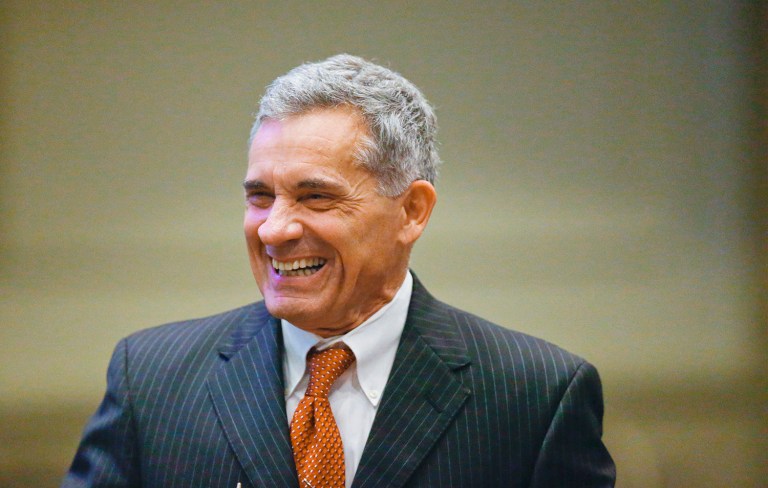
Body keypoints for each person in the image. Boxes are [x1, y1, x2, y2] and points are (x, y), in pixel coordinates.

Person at [63, 54, 615, 488]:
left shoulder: (535, 396)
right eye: (260, 197)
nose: (274, 229)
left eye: (315, 197)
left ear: (411, 211)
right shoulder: (152, 380)